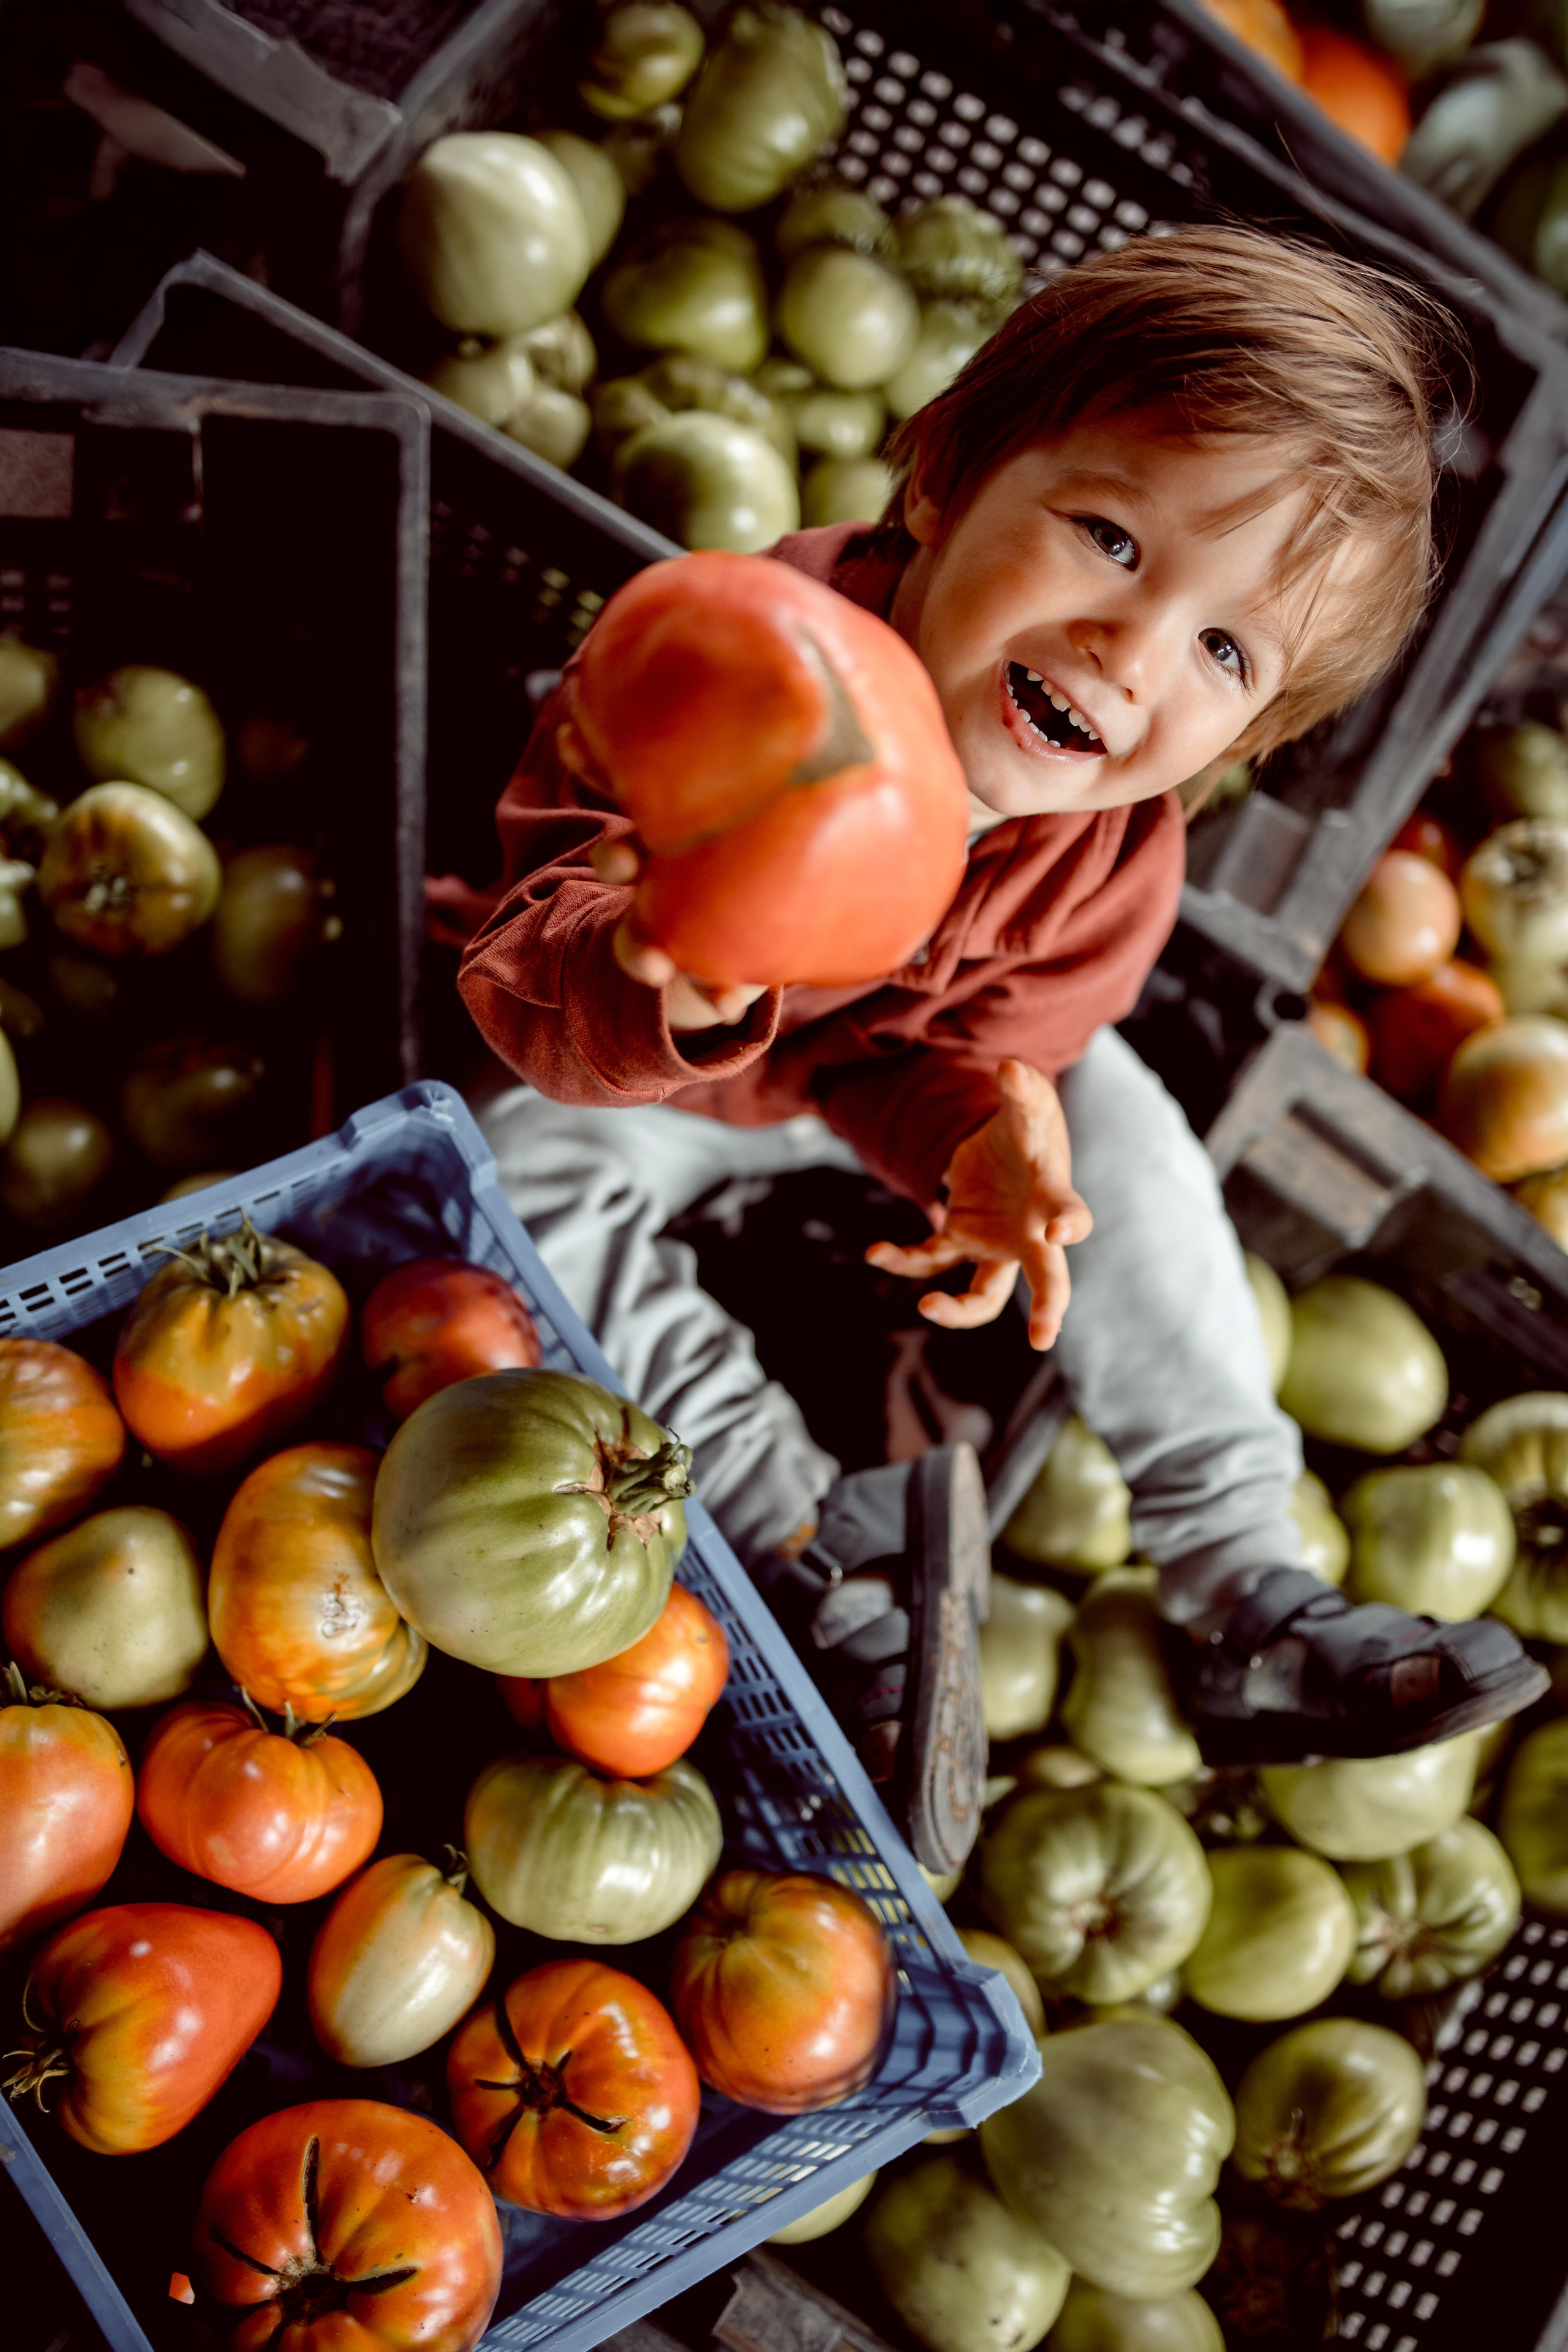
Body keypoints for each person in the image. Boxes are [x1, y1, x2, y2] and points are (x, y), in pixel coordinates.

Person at [445, 227, 1547, 1875]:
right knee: (514, 1171)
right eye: (1109, 537)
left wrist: (979, 1138)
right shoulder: (738, 660)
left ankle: (1244, 1577)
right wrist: (652, 972)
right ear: (944, 474)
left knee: (1132, 1146)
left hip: (848, 1080)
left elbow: (916, 1061)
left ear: (1243, 745)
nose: (1131, 648)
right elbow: (513, 974)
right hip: (647, 1066)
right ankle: (804, 1531)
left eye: (1223, 654)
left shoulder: (1113, 860)